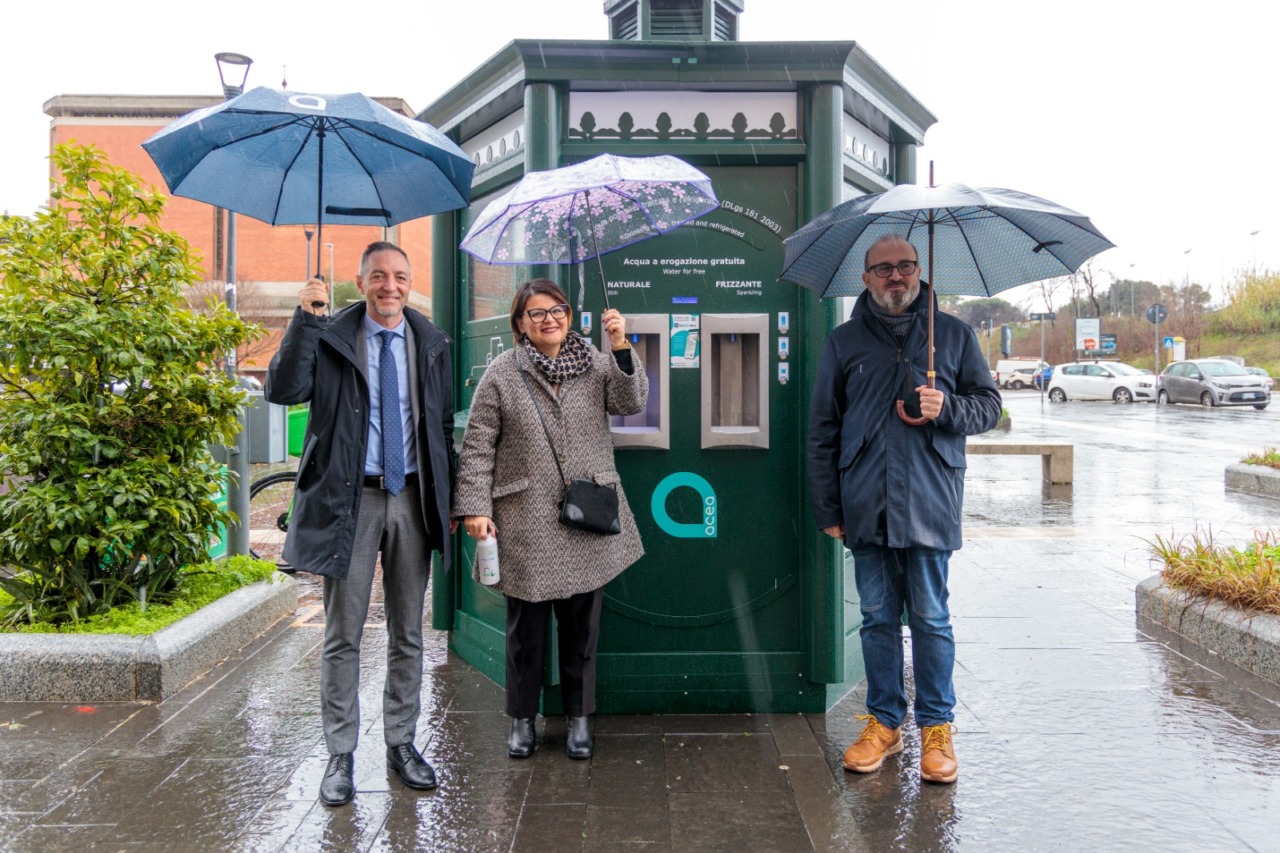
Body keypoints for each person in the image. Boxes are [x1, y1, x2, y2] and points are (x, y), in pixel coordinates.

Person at [265, 241, 456, 807]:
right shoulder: (330, 335)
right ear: (360, 281)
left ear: (410, 280)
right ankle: (340, 755)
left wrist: (451, 498)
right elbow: (283, 390)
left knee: (409, 632)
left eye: (399, 276)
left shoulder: (431, 341)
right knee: (342, 633)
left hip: (413, 498)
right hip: (351, 498)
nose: (389, 285)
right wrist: (305, 318)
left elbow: (441, 425)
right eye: (378, 276)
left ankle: (402, 743)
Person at [807, 235, 1001, 785]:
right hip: (865, 499)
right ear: (866, 279)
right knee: (876, 618)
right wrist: (827, 505)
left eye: (906, 266)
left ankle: (936, 727)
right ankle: (885, 723)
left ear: (920, 272)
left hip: (930, 498)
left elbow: (989, 408)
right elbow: (823, 427)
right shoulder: (844, 342)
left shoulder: (954, 335)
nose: (897, 276)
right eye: (884, 269)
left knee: (932, 617)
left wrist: (950, 407)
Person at [453, 279, 647, 760]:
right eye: (536, 313)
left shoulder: (596, 363)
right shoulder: (502, 372)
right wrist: (475, 507)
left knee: (582, 630)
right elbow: (478, 444)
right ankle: (521, 719)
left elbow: (632, 401)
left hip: (588, 516)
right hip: (526, 519)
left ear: (569, 314)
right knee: (526, 632)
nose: (549, 319)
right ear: (519, 323)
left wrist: (621, 345)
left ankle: (579, 719)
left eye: (556, 310)